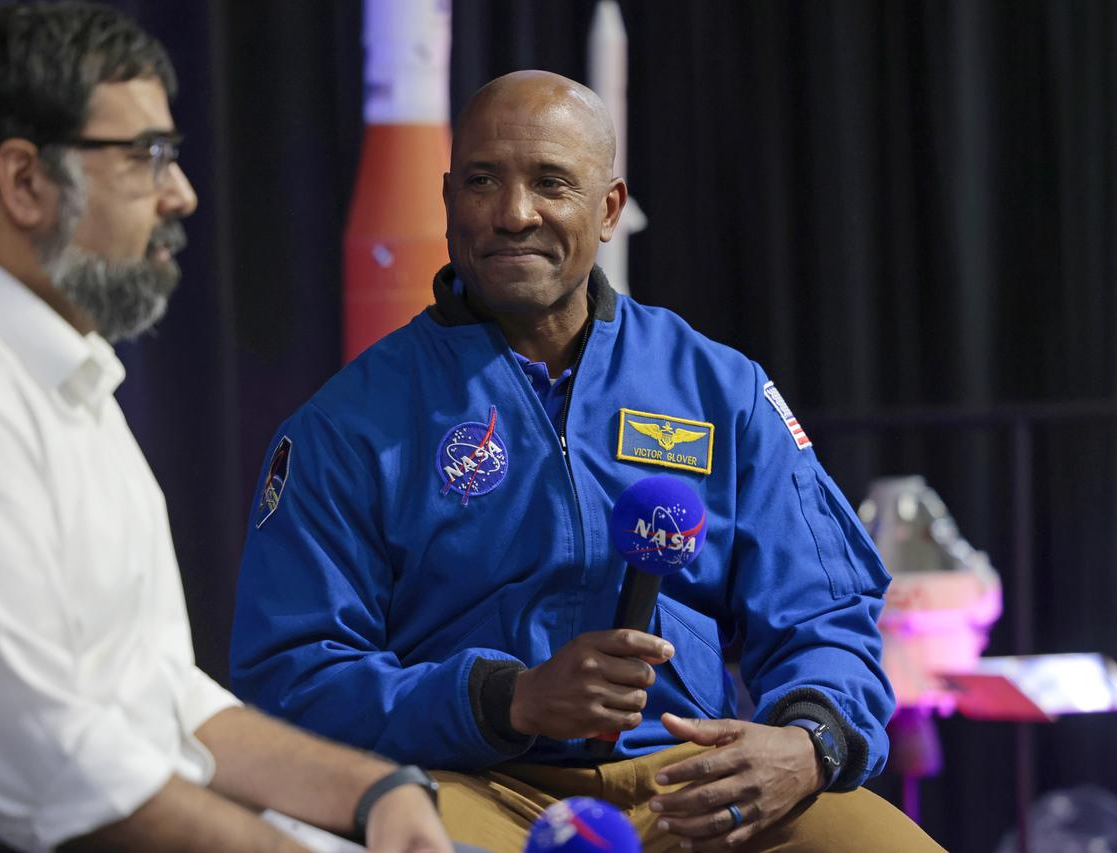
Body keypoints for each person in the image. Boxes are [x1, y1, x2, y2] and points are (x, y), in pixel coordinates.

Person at [230, 71, 943, 852]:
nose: (513, 213)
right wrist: (505, 699)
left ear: (607, 209)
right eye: (481, 182)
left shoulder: (717, 388)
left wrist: (811, 741)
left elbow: (823, 613)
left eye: (550, 183)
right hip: (465, 783)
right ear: (446, 200)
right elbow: (291, 681)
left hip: (689, 779)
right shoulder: (350, 424)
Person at [0, 4, 452, 852]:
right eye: (148, 156)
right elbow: (50, 765)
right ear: (25, 182)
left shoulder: (59, 372)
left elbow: (157, 697)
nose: (181, 192)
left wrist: (375, 790)